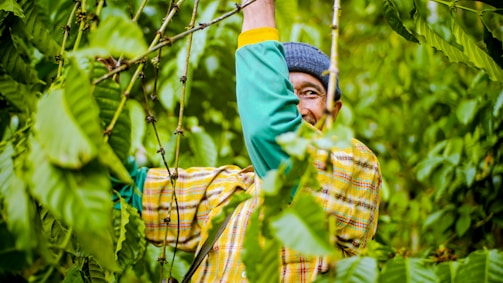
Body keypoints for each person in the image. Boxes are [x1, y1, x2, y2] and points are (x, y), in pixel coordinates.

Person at [119, 0, 381, 281]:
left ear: (334, 110)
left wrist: (258, 11)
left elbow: (273, 130)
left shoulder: (352, 166)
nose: (297, 107)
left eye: (310, 93)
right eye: (286, 94)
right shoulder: (227, 192)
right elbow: (127, 188)